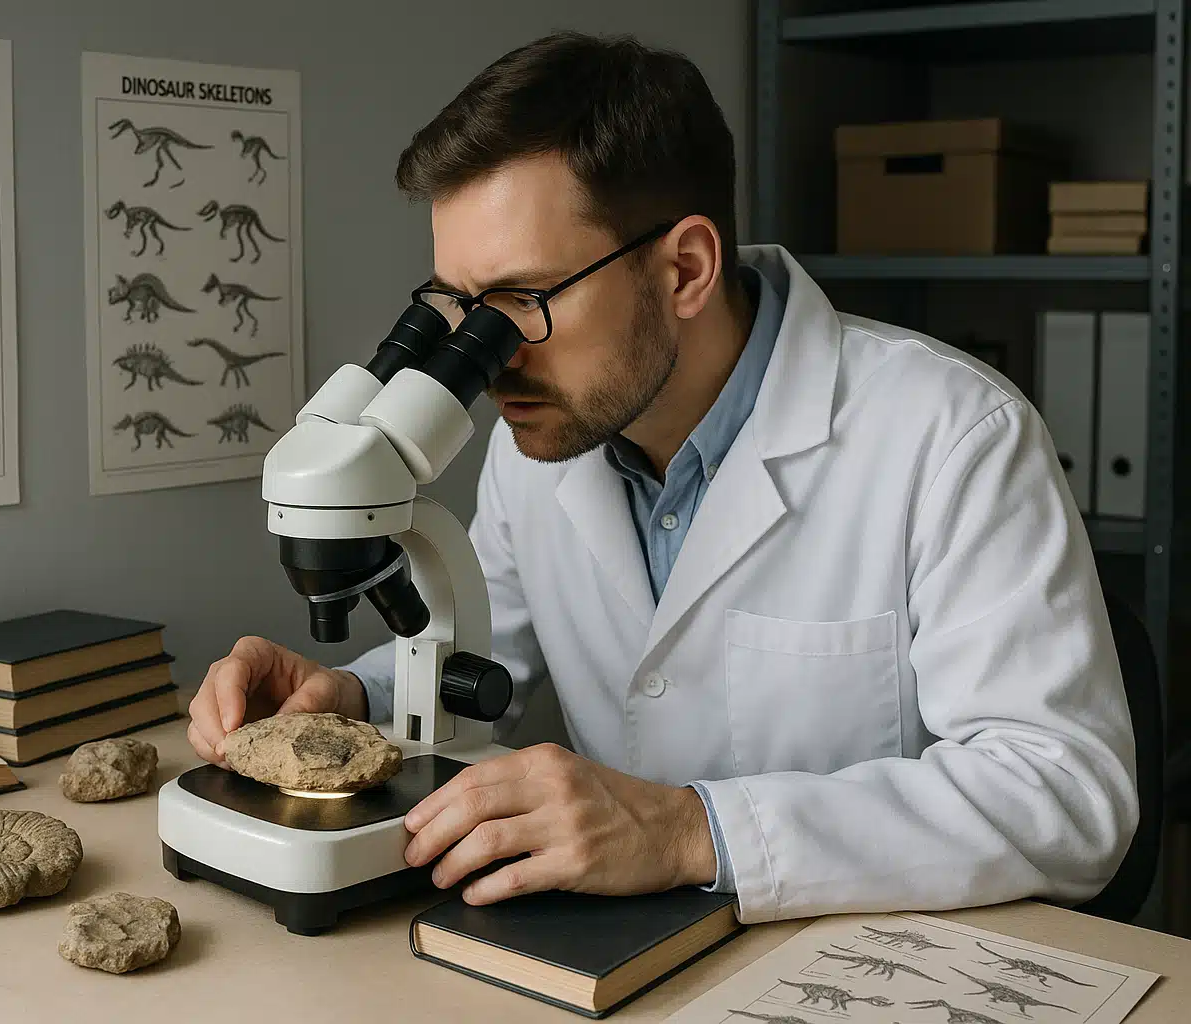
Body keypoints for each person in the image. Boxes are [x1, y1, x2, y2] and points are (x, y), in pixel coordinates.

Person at [187, 30, 1138, 924]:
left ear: (685, 267)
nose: (490, 360)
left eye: (521, 302)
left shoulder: (952, 435)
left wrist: (692, 830)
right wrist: (348, 700)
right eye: (460, 307)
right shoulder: (545, 437)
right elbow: (486, 658)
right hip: (629, 953)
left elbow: (1066, 797)